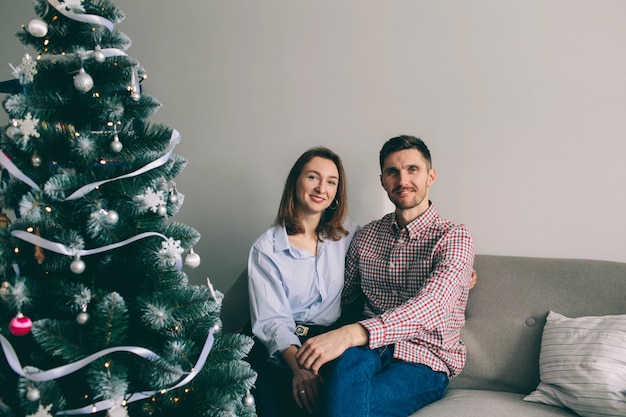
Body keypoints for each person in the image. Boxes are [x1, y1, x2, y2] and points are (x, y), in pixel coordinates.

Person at [295, 135, 476, 417]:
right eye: (393, 172)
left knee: (346, 404)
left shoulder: (454, 237)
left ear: (431, 176)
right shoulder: (366, 236)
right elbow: (341, 297)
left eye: (412, 169)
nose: (402, 180)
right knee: (346, 369)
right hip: (364, 352)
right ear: (383, 181)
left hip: (424, 359)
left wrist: (355, 332)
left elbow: (434, 305)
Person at [247, 147, 359, 417]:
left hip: (327, 344)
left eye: (331, 182)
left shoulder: (347, 234)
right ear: (295, 181)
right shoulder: (267, 248)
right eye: (313, 177)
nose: (322, 187)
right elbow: (273, 320)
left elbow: (389, 251)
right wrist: (298, 369)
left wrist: (460, 274)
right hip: (281, 350)